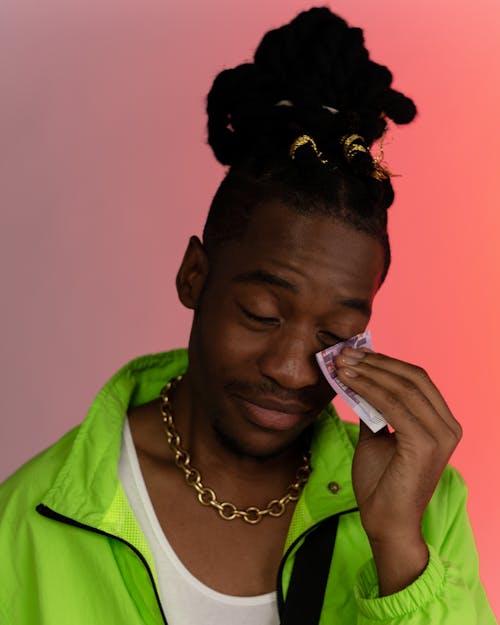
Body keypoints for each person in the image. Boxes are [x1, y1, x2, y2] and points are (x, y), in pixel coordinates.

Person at [0, 7, 496, 625]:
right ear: (194, 276)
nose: (292, 370)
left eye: (336, 333)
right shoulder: (24, 524)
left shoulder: (425, 509)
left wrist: (398, 551)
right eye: (261, 313)